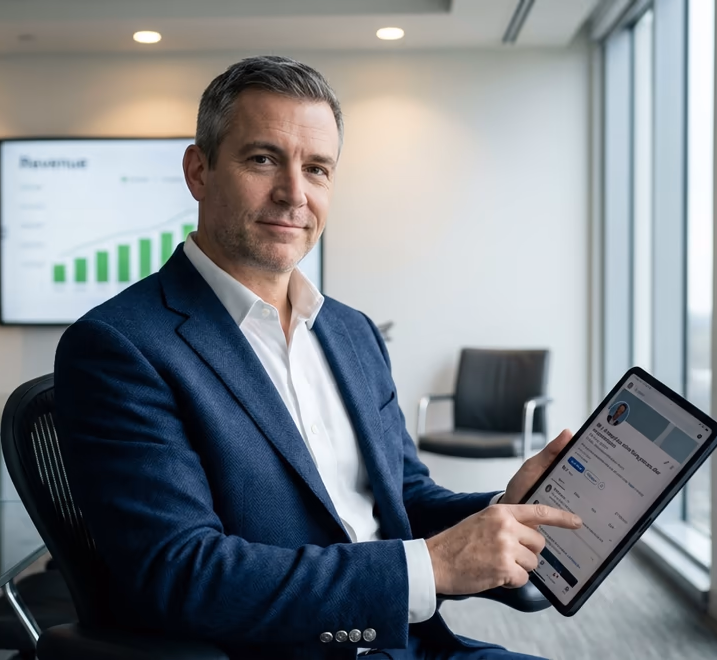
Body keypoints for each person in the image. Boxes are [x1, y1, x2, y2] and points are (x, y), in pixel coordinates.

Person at [55, 55, 582, 660]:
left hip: (407, 643)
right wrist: (430, 568)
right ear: (199, 171)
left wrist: (506, 513)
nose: (294, 194)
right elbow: (181, 572)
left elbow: (404, 499)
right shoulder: (120, 347)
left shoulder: (352, 332)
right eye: (263, 159)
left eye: (316, 169)